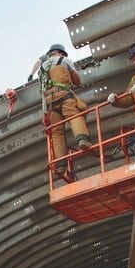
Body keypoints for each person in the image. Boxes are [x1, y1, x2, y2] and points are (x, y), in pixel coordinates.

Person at [39, 43, 92, 182]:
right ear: (61, 53)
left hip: (49, 104)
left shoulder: (42, 69)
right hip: (64, 95)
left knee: (57, 133)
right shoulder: (64, 61)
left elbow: (42, 91)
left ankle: (61, 164)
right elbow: (77, 81)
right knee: (75, 116)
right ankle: (82, 140)